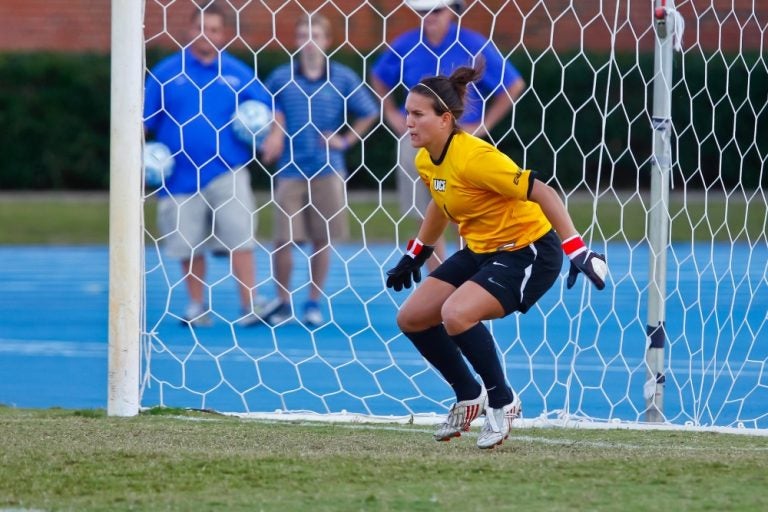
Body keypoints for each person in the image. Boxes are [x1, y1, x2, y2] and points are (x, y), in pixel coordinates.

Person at [385, 64, 607, 449]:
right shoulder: (425, 158)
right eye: (407, 113)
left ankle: (503, 403)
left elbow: (544, 192)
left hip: (529, 251)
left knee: (456, 314)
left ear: (446, 119)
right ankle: (469, 395)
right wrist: (417, 254)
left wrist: (576, 248)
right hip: (482, 250)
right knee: (412, 318)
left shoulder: (476, 157)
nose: (408, 122)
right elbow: (441, 201)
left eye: (418, 114)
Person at [143, 4, 277, 327]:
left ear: (223, 34)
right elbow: (144, 122)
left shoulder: (237, 71)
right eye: (200, 27)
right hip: (178, 176)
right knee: (187, 244)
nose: (207, 34)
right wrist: (140, 157)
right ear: (190, 31)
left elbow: (268, 107)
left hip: (226, 171)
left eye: (214, 29)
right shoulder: (166, 72)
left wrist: (274, 137)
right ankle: (196, 307)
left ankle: (250, 305)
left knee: (241, 238)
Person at [371, 0, 526, 271]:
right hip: (416, 143)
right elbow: (379, 77)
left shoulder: (473, 43)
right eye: (422, 11)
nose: (428, 16)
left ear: (453, 10)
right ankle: (440, 280)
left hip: (461, 141)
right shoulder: (407, 43)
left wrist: (484, 125)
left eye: (436, 10)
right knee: (424, 215)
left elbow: (513, 84)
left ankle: (469, 278)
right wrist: (392, 114)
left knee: (464, 213)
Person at [259, 14, 379, 327]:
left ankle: (313, 301)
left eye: (315, 34)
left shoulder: (342, 77)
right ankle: (282, 302)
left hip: (328, 170)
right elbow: (264, 108)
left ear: (326, 41)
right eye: (302, 34)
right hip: (289, 169)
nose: (309, 40)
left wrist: (346, 140)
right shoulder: (281, 77)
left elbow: (369, 111)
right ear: (296, 41)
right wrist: (274, 130)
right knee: (284, 239)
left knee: (322, 239)